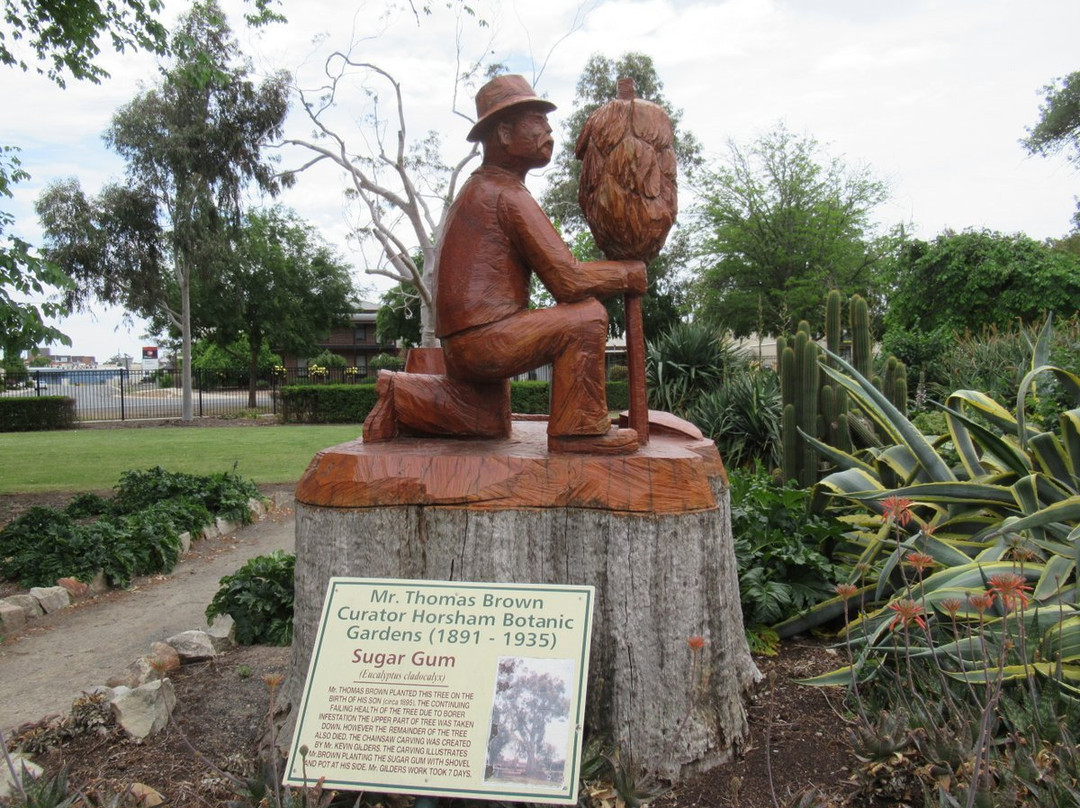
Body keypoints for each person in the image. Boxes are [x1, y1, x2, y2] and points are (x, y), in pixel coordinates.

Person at [363, 74, 645, 454]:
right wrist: (627, 273)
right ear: (506, 134)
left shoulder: (483, 187)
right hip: (484, 341)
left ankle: (399, 394)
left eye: (547, 121)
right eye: (537, 121)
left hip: (467, 347)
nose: (549, 130)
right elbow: (568, 280)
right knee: (586, 317)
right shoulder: (504, 193)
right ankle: (578, 431)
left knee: (486, 419)